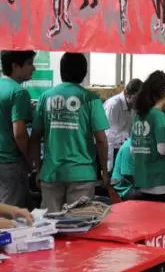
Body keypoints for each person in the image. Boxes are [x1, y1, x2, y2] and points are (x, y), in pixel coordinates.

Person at [31, 54, 110, 213]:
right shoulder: (91, 99)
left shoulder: (45, 97)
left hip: (51, 173)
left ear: (61, 71)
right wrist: (104, 171)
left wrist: (38, 169)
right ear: (84, 72)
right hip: (81, 174)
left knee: (49, 226)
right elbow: (101, 140)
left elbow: (35, 137)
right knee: (78, 224)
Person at [0, 51, 36, 207]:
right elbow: (20, 134)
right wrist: (31, 160)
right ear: (15, 66)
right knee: (11, 219)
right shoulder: (18, 92)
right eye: (29, 63)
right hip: (8, 163)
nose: (34, 68)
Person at [131, 71, 165, 203]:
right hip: (164, 183)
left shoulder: (138, 116)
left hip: (143, 181)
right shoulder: (159, 116)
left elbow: (133, 149)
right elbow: (163, 149)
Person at [104, 79, 143, 169]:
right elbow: (108, 138)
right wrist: (108, 166)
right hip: (111, 150)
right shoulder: (114, 105)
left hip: (123, 148)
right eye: (136, 99)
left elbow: (130, 133)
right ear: (126, 93)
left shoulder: (133, 106)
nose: (137, 103)